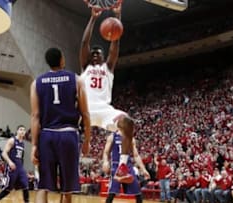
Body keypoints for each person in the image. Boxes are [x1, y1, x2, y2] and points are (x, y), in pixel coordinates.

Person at [79, 3, 133, 181]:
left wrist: (118, 17)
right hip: (84, 110)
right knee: (60, 122)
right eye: (92, 53)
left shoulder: (108, 67)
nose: (95, 54)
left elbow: (114, 44)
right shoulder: (85, 66)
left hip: (104, 110)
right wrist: (93, 18)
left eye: (98, 53)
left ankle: (123, 167)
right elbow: (84, 42)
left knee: (127, 122)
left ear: (103, 57)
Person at [30, 47, 91, 203]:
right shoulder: (76, 79)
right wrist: (87, 140)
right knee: (67, 189)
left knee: (43, 187)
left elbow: (35, 116)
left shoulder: (36, 83)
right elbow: (85, 114)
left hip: (47, 135)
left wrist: (34, 145)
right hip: (68, 135)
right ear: (62, 59)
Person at [102, 116, 150, 203]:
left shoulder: (131, 139)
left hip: (128, 166)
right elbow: (106, 152)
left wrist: (143, 169)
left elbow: (136, 155)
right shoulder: (112, 136)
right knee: (112, 192)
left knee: (137, 192)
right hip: (116, 166)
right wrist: (105, 162)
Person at [0, 125, 30, 203]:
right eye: (21, 129)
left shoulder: (22, 143)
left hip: (20, 168)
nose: (22, 131)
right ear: (17, 131)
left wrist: (24, 171)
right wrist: (10, 162)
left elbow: (21, 158)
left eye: (24, 130)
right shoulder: (12, 140)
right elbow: (4, 153)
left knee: (25, 185)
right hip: (12, 167)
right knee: (8, 188)